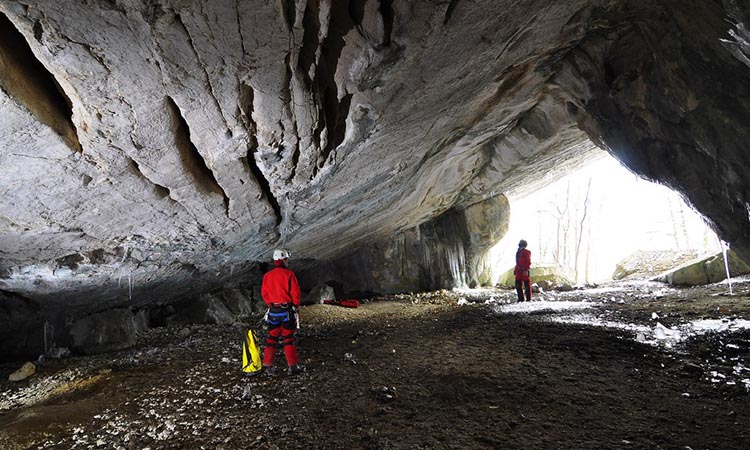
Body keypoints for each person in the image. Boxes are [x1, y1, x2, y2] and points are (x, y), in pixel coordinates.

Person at [261, 249, 304, 375]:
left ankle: (267, 365)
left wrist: (271, 305)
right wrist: (296, 305)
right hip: (286, 311)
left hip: (274, 311)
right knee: (288, 338)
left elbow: (264, 294)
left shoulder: (267, 276)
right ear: (284, 260)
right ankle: (293, 366)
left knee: (271, 338)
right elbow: (295, 293)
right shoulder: (289, 274)